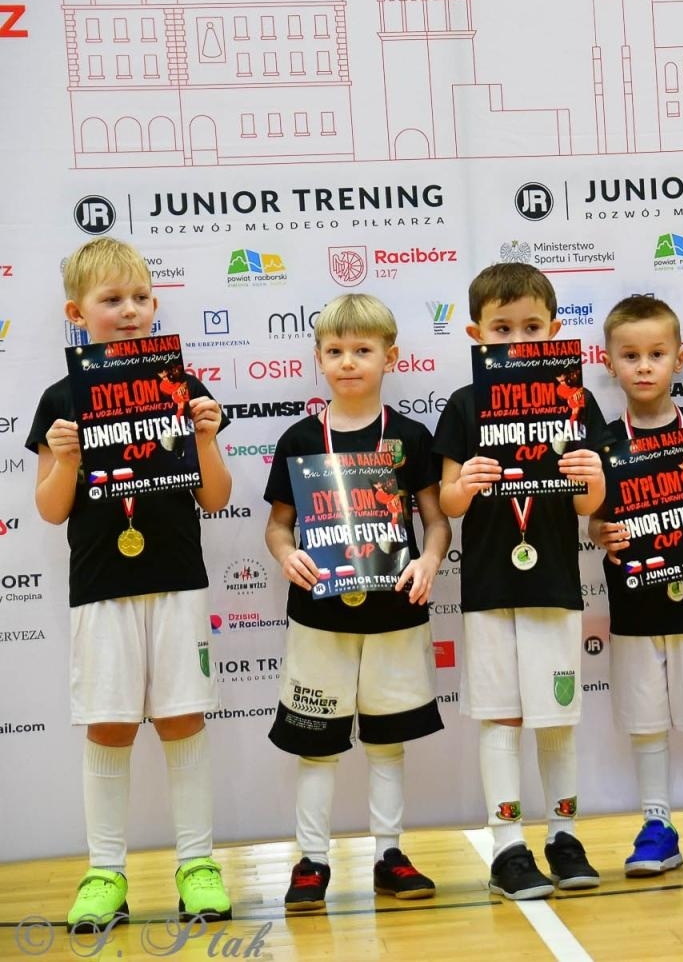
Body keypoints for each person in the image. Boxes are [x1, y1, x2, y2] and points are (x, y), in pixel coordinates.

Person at [28, 237, 234, 931]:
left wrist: (205, 437)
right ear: (76, 313)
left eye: (140, 298)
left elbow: (215, 497)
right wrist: (65, 459)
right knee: (110, 726)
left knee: (183, 717)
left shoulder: (184, 385)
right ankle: (105, 873)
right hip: (101, 585)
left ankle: (198, 864)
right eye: (111, 300)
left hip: (177, 579)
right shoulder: (61, 397)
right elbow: (51, 508)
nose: (129, 311)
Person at [264, 294, 451, 909]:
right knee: (316, 744)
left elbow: (436, 520)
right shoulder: (298, 439)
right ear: (318, 358)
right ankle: (311, 860)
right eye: (336, 351)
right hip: (319, 614)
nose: (349, 362)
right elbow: (278, 526)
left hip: (395, 610)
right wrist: (285, 554)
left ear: (389, 357)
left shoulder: (410, 436)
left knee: (386, 741)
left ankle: (388, 854)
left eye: (363, 350)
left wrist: (428, 561)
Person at [434, 263, 609, 898]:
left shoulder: (577, 401)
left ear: (555, 332)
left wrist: (592, 473)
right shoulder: (465, 404)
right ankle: (507, 846)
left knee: (556, 715)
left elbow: (591, 504)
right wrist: (465, 483)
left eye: (532, 327)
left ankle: (564, 836)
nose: (517, 339)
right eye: (502, 329)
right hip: (487, 589)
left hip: (556, 583)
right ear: (477, 335)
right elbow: (449, 505)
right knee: (500, 718)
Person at [586, 295, 683, 877]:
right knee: (647, 719)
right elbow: (593, 516)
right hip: (633, 605)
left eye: (657, 354)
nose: (644, 366)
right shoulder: (601, 444)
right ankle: (657, 824)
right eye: (631, 356)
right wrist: (599, 530)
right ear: (610, 362)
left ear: (680, 357)